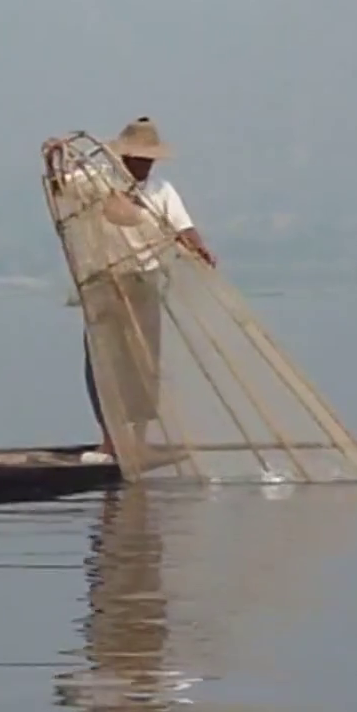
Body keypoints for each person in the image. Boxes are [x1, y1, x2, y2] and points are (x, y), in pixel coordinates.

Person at [46, 116, 217, 463]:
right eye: (138, 159)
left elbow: (184, 227)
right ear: (123, 157)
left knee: (143, 362)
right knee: (104, 362)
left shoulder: (161, 191)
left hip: (144, 281)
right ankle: (110, 442)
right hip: (105, 285)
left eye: (148, 160)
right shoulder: (95, 182)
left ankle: (137, 439)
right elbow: (59, 187)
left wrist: (199, 248)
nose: (144, 165)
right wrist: (54, 158)